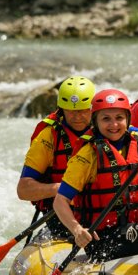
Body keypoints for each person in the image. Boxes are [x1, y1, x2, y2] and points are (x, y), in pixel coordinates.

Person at [53, 89, 138, 262]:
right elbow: (60, 200)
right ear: (95, 121)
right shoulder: (87, 155)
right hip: (102, 238)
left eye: (119, 118)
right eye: (106, 119)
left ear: (128, 119)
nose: (114, 125)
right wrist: (77, 230)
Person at [17, 75, 97, 240]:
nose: (76, 117)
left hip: (102, 212)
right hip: (63, 217)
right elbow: (23, 190)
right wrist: (61, 190)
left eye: (82, 110)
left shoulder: (107, 126)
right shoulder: (48, 137)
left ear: (92, 108)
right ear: (61, 109)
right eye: (71, 111)